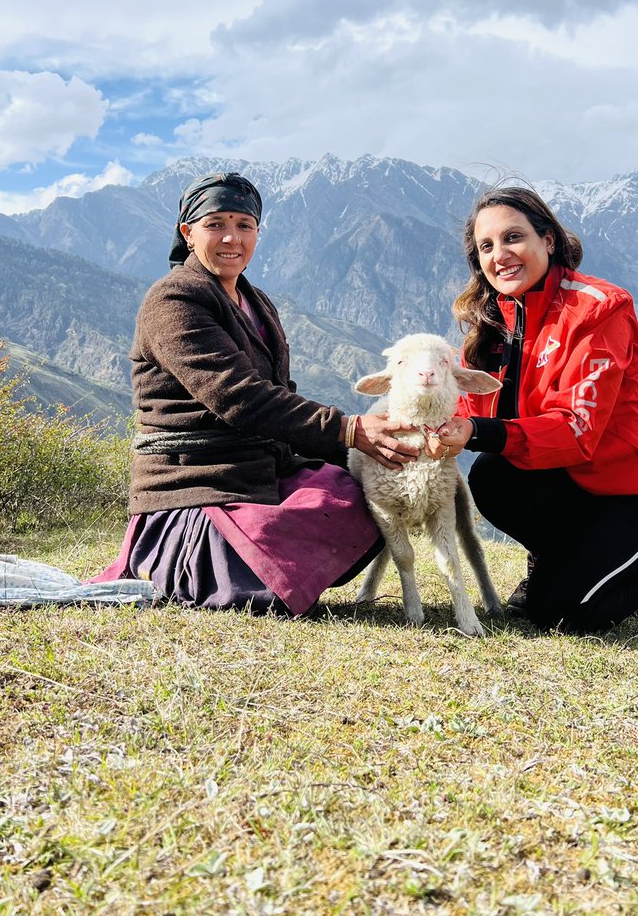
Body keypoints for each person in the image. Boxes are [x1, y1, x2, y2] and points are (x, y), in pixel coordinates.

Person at [93, 171, 418, 614]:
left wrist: (352, 445)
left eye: (244, 225)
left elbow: (279, 392)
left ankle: (274, 566)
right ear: (188, 233)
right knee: (255, 586)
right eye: (215, 224)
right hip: (199, 482)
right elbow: (239, 396)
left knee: (364, 496)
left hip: (261, 468)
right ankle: (211, 566)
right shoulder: (173, 301)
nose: (232, 238)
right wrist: (348, 430)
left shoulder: (256, 301)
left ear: (257, 233)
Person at [433, 185, 638, 634]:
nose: (500, 255)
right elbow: (469, 401)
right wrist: (418, 422)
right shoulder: (495, 320)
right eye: (486, 246)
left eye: (513, 237)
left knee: (560, 616)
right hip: (577, 482)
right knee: (493, 476)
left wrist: (475, 431)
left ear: (548, 240)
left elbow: (577, 430)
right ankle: (562, 563)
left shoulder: (598, 310)